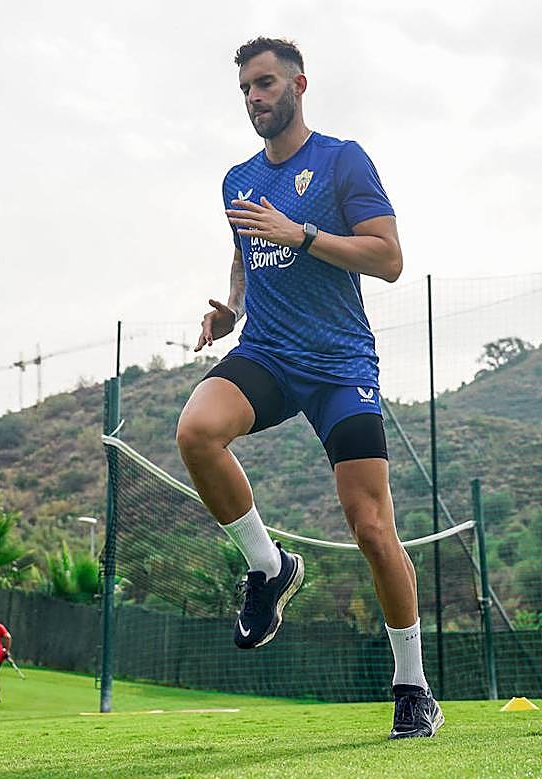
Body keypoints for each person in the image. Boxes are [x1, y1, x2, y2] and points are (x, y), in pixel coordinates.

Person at [175, 37, 442, 739]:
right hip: (267, 353)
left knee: (372, 528)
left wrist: (302, 233)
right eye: (245, 90)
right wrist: (231, 308)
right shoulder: (236, 178)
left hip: (340, 366)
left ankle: (413, 687)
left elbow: (387, 258)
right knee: (196, 431)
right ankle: (270, 567)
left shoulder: (342, 159)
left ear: (298, 84)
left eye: (265, 84)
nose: (255, 98)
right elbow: (242, 251)